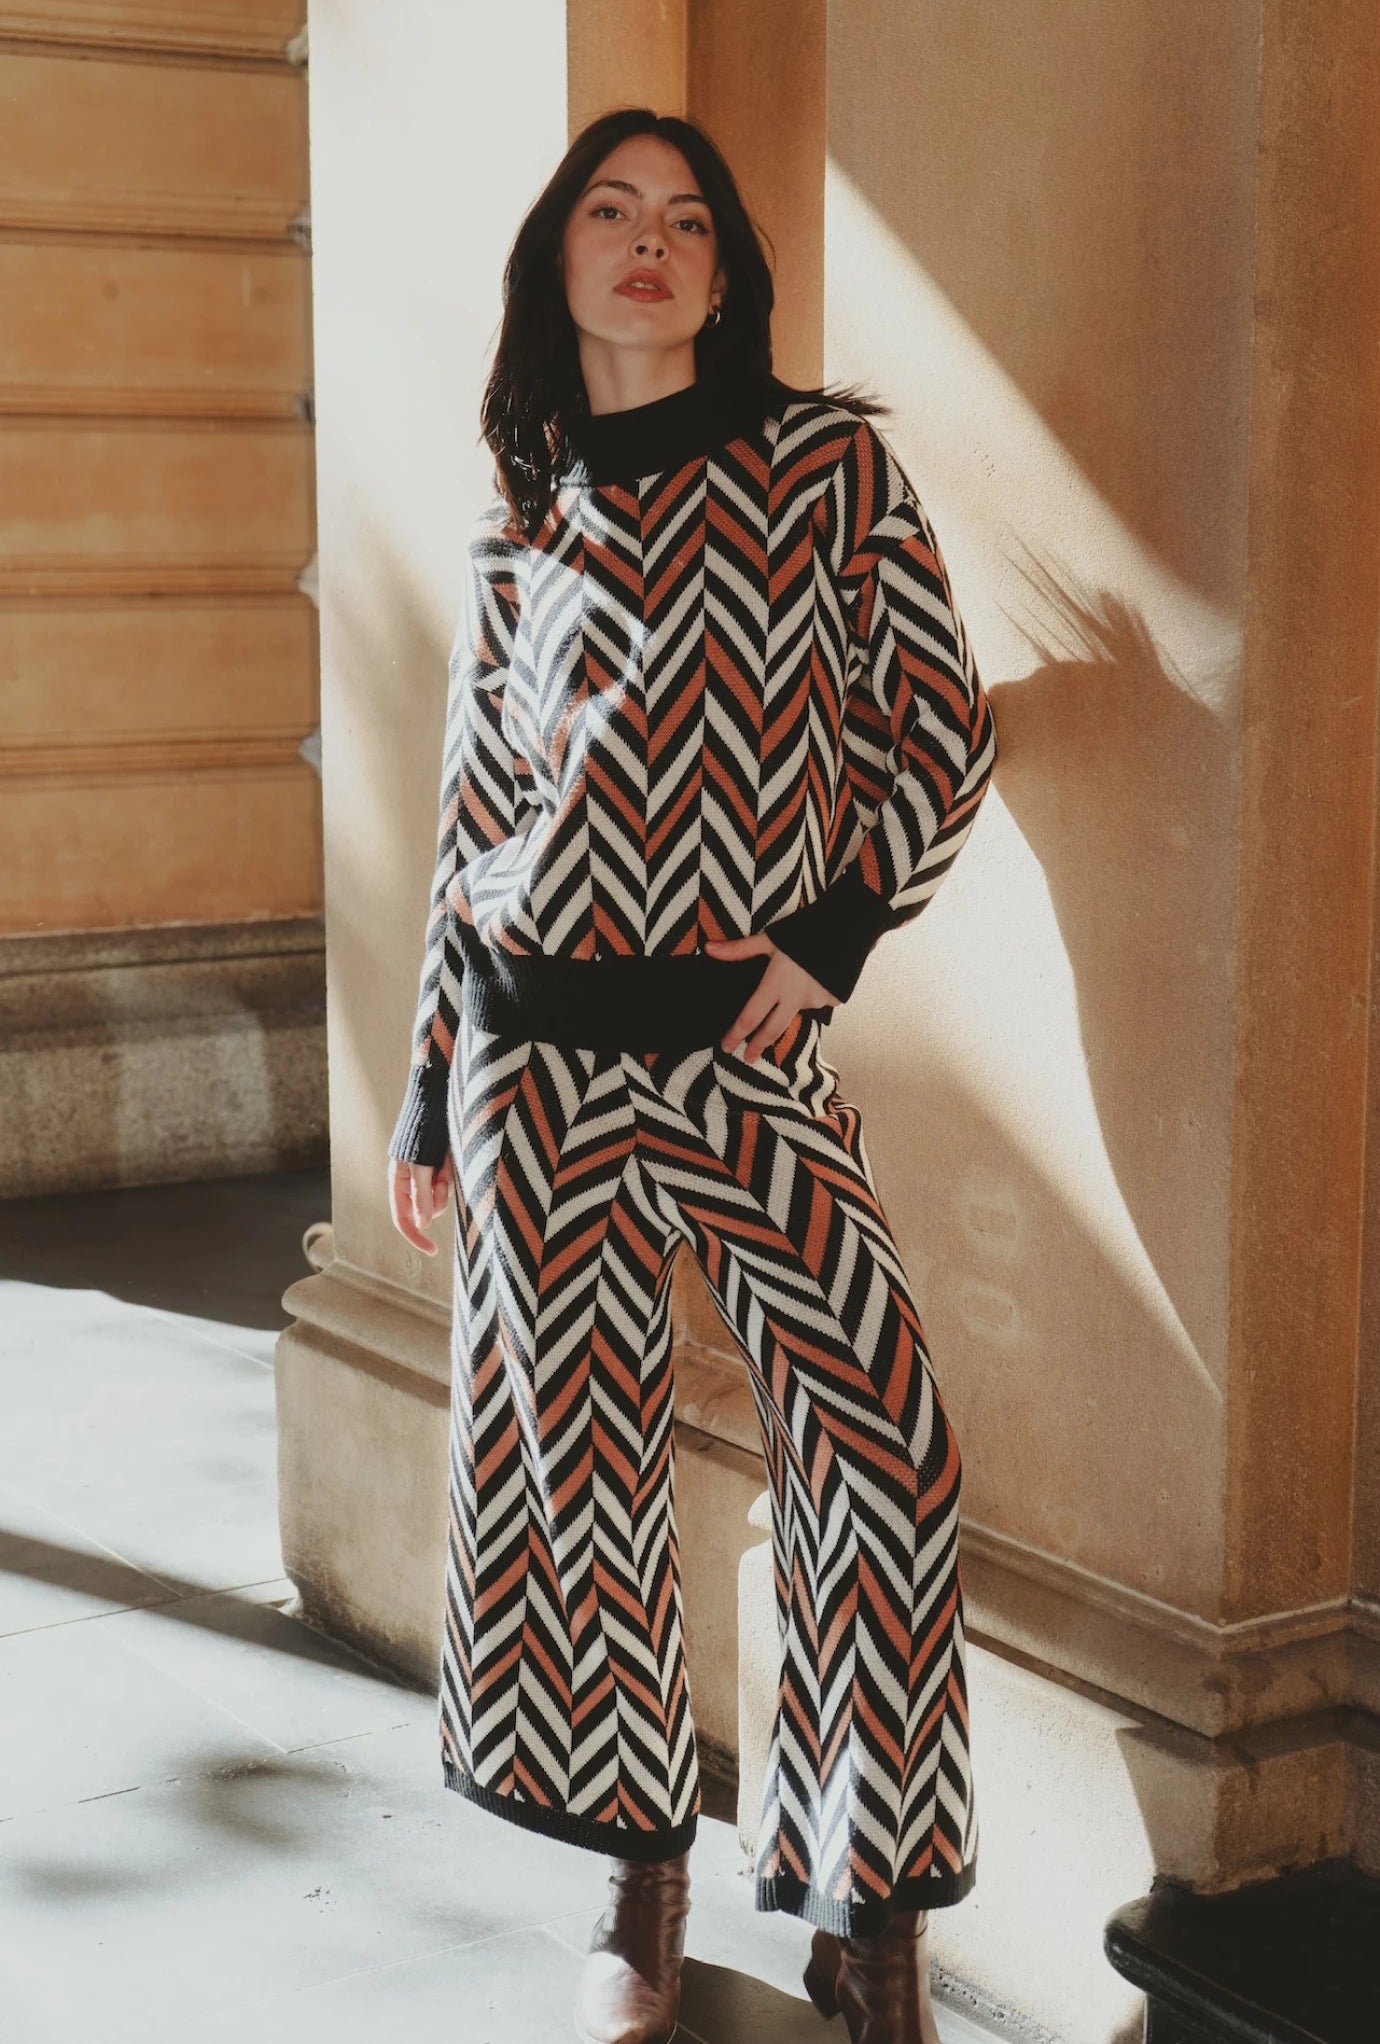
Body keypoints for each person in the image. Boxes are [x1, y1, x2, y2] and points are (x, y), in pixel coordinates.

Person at [387, 104, 997, 2044]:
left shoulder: (821, 465)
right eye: (610, 210)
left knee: (880, 1444)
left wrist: (822, 942)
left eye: (688, 220)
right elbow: (473, 810)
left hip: (740, 1066)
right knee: (574, 1481)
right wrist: (425, 1087)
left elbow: (937, 728)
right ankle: (637, 1881)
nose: (649, 241)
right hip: (531, 1057)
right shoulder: (520, 498)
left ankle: (861, 1905)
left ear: (726, 275)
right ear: (556, 258)